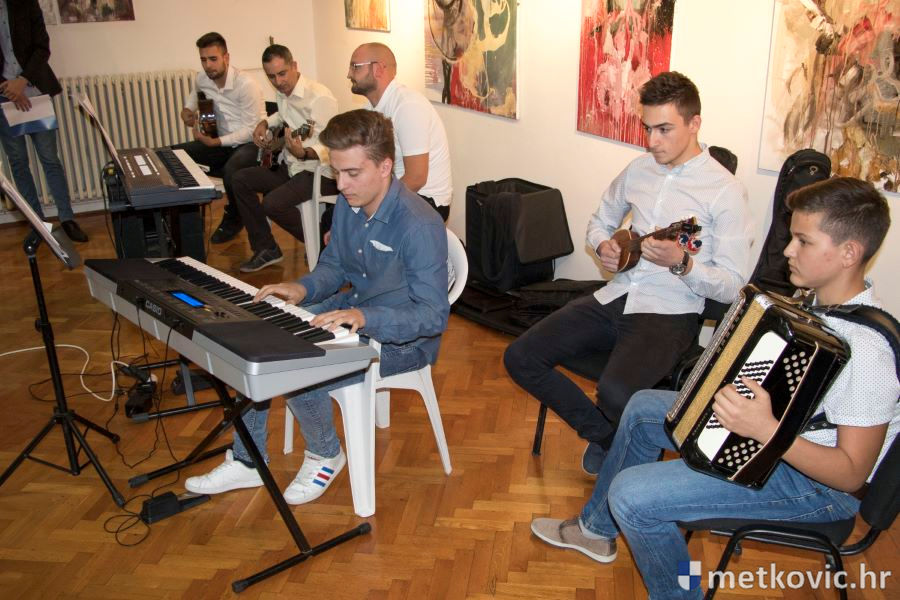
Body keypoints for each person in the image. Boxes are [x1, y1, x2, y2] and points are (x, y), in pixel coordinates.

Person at [530, 176, 898, 600]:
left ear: (849, 253)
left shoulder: (867, 351)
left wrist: (765, 430)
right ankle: (597, 530)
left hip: (815, 488)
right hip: (780, 443)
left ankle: (682, 592)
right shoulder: (818, 304)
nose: (787, 251)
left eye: (803, 241)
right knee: (644, 407)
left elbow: (850, 474)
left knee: (631, 496)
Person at [185, 109, 450, 505]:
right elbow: (334, 266)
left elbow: (432, 316)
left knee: (295, 364)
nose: (340, 184)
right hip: (354, 309)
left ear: (385, 167)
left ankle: (325, 452)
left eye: (352, 173)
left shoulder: (418, 225)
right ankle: (247, 459)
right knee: (255, 338)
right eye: (336, 172)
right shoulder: (349, 203)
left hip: (404, 341)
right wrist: (301, 288)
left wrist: (364, 318)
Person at [504, 71, 754, 474]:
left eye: (664, 129)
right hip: (616, 294)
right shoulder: (639, 170)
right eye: (647, 128)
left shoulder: (725, 192)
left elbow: (734, 285)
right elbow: (599, 220)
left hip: (670, 312)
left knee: (617, 393)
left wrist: (683, 264)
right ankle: (608, 438)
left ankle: (624, 448)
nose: (652, 141)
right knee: (520, 357)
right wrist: (603, 244)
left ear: (694, 123)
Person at [231, 44, 339, 273]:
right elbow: (282, 115)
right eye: (271, 77)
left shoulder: (320, 98)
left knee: (272, 204)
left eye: (282, 74)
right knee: (239, 179)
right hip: (291, 166)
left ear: (294, 66)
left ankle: (324, 244)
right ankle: (266, 247)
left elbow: (331, 145)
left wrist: (305, 153)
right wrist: (264, 123)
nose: (278, 82)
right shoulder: (283, 93)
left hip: (318, 171)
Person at [0, 0, 87, 242]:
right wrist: (9, 89)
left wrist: (22, 81)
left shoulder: (25, 4)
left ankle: (67, 218)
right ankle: (37, 224)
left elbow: (42, 47)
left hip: (35, 89)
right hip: (4, 97)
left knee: (50, 159)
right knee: (18, 162)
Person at [176, 32, 265, 244]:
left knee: (232, 171)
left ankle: (235, 216)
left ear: (226, 57)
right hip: (221, 142)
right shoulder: (202, 78)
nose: (208, 65)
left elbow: (251, 130)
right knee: (174, 155)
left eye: (213, 59)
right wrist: (187, 110)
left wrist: (216, 142)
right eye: (203, 60)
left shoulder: (246, 84)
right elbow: (195, 94)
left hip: (250, 144)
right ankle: (186, 220)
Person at [346, 42, 452, 221]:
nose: (349, 74)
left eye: (355, 67)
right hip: (398, 190)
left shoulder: (408, 106)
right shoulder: (370, 108)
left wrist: (377, 205)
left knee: (352, 220)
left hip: (425, 200)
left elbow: (417, 178)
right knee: (336, 216)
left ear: (378, 69)